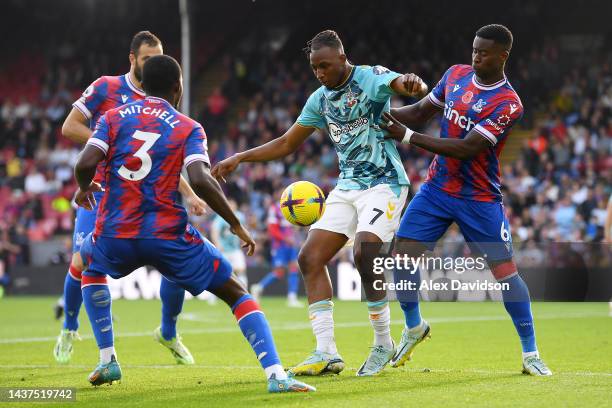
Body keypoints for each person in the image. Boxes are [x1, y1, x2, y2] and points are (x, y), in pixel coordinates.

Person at [73, 55, 315, 393]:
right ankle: (276, 375)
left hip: (116, 233)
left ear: (142, 85)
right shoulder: (187, 126)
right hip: (168, 236)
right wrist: (235, 223)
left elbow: (85, 162)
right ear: (178, 86)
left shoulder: (113, 118)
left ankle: (108, 358)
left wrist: (85, 188)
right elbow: (200, 179)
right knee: (235, 291)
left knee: (86, 265)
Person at [212, 29, 427, 376]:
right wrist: (240, 156)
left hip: (385, 182)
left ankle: (383, 342)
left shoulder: (369, 78)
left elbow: (400, 84)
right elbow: (286, 143)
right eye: (315, 68)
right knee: (310, 257)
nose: (321, 74)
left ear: (343, 58)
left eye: (325, 66)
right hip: (347, 185)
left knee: (365, 252)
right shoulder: (320, 99)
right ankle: (326, 351)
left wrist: (411, 84)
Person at [380, 24, 552, 376]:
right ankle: (414, 328)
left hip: (479, 198)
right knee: (401, 257)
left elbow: (468, 147)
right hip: (437, 189)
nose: (475, 56)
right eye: (474, 49)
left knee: (506, 275)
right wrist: (374, 117)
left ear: (503, 55)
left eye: (484, 52)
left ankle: (531, 353)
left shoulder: (509, 103)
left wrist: (408, 137)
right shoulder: (455, 75)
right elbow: (418, 112)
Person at [54, 31, 204, 365]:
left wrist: (190, 193)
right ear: (132, 59)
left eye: (159, 58)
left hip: (150, 197)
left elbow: (162, 157)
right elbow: (69, 126)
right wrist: (107, 143)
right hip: (104, 193)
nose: (154, 64)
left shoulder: (164, 101)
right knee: (82, 260)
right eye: (148, 59)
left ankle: (168, 330)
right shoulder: (107, 87)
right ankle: (69, 327)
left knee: (174, 266)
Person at [251, 188, 303, 307]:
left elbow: (292, 227)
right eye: (281, 193)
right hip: (280, 245)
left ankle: (292, 297)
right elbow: (272, 229)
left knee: (294, 268)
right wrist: (286, 238)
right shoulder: (274, 209)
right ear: (277, 195)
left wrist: (295, 233)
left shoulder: (291, 208)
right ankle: (259, 287)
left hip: (290, 245)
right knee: (279, 272)